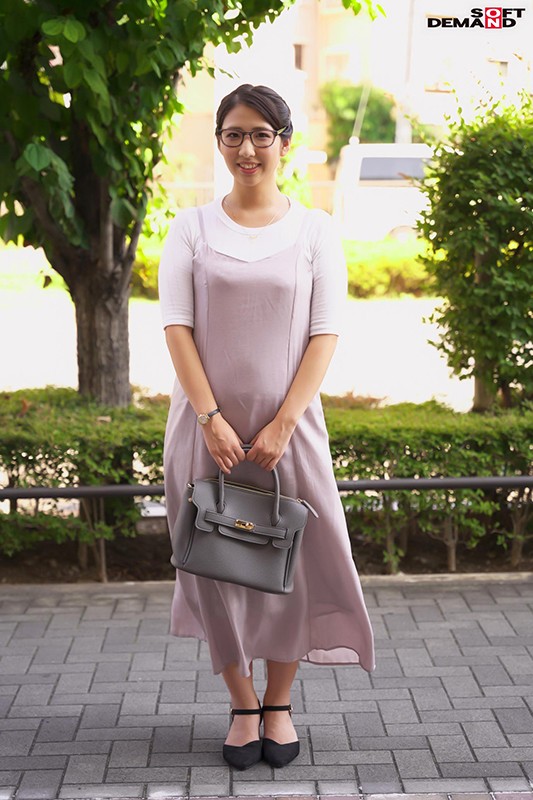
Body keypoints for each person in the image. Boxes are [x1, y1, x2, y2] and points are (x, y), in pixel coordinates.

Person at [158, 83, 375, 771]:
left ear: (283, 142)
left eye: (260, 134)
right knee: (213, 564)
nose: (246, 148)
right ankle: (242, 703)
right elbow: (176, 327)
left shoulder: (314, 230)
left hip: (290, 432)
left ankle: (278, 704)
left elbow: (324, 332)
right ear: (219, 142)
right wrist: (210, 419)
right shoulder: (190, 229)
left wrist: (283, 422)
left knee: (294, 562)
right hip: (205, 431)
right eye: (233, 134)